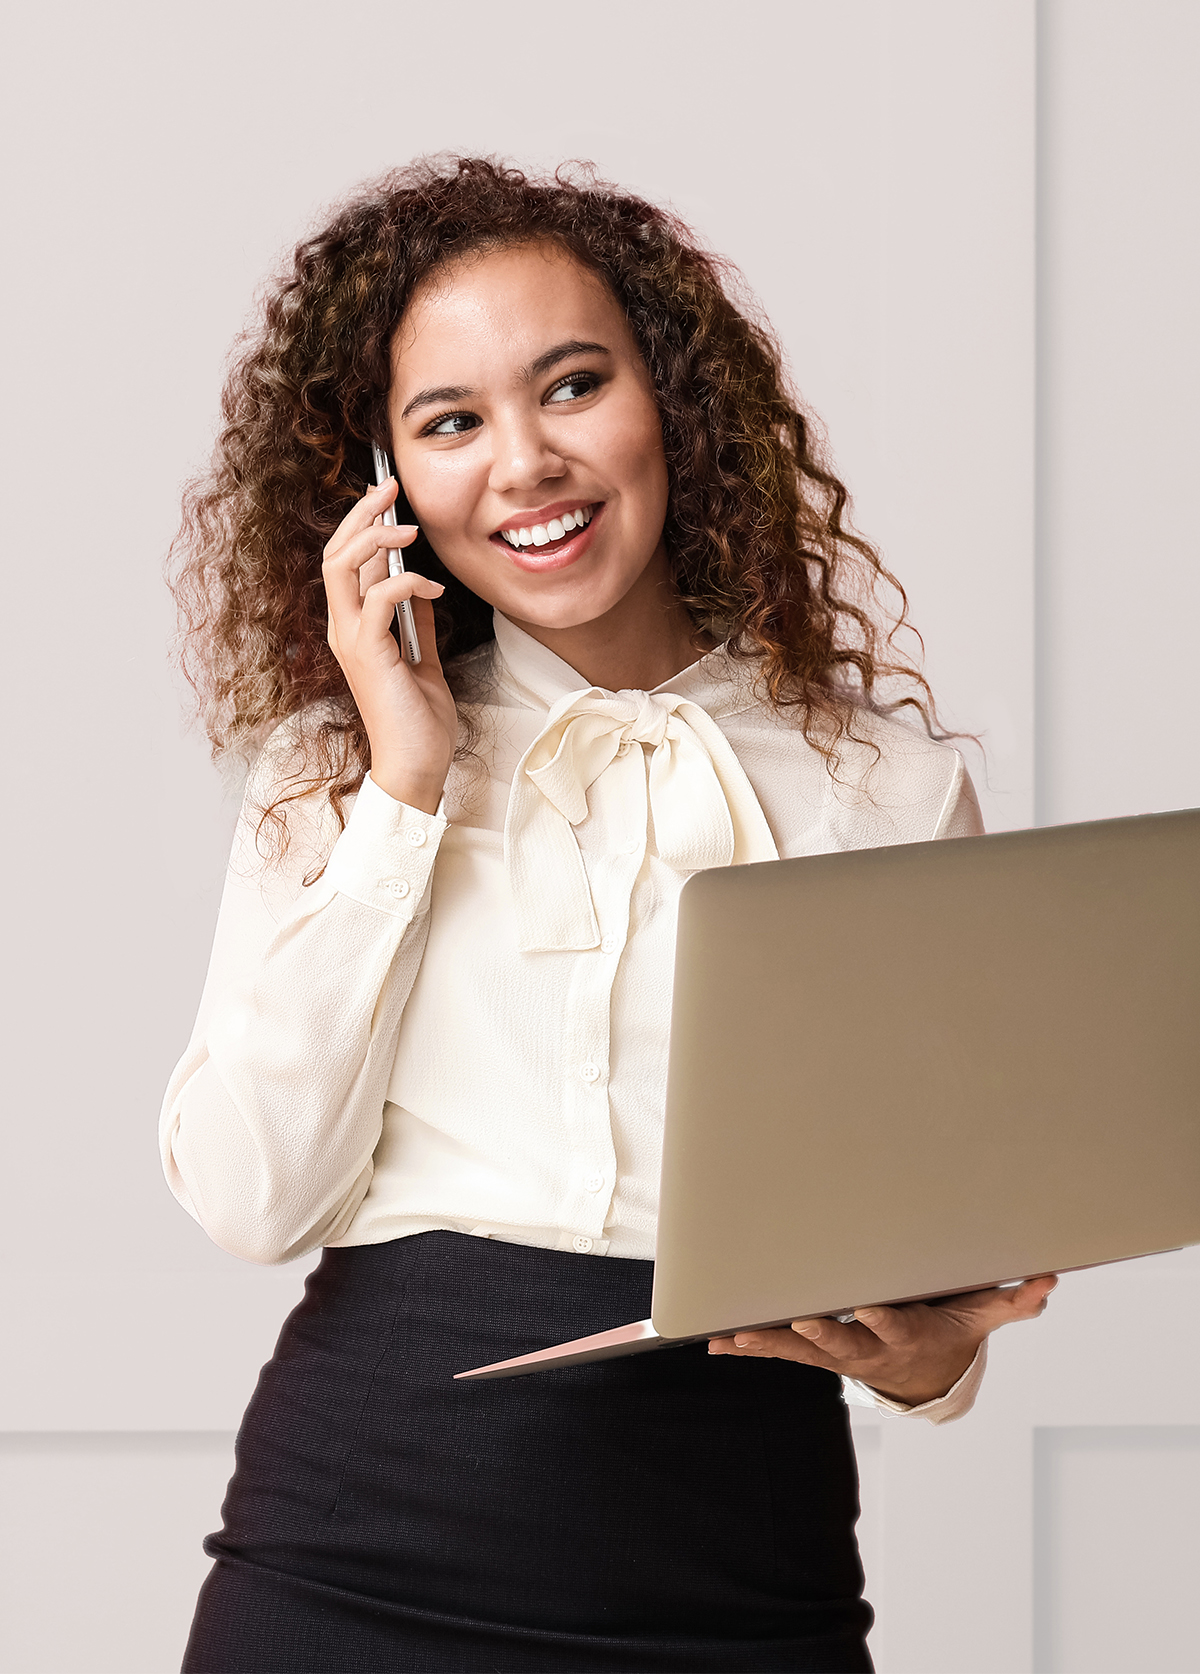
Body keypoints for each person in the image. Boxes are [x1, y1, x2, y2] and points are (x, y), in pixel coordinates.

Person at [161, 156, 1055, 1674]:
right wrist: (409, 786)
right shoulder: (340, 772)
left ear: (672, 407)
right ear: (384, 486)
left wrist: (935, 1360)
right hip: (348, 1561)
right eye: (451, 423)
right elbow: (251, 1199)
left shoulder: (882, 790)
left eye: (571, 386)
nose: (522, 463)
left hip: (735, 1559)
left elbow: (926, 1254)